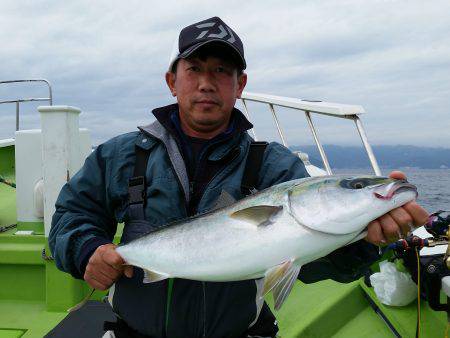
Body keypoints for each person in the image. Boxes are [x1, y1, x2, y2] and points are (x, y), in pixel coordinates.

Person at [49, 16, 428, 338]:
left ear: (240, 85)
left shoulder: (274, 167)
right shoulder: (123, 154)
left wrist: (364, 240)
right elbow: (71, 215)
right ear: (172, 81)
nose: (207, 83)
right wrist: (86, 250)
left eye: (221, 71)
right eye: (194, 69)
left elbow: (311, 263)